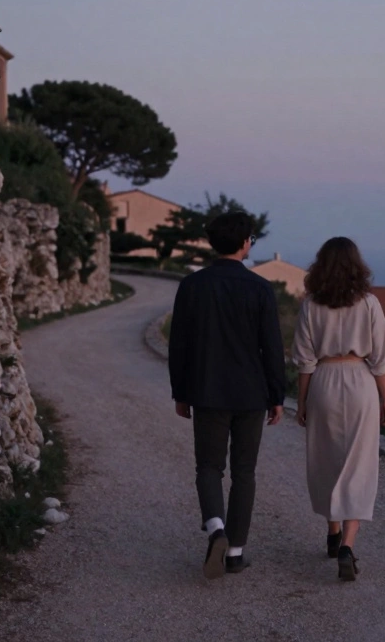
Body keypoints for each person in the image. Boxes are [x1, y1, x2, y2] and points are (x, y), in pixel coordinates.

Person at [168, 212, 286, 579]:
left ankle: (216, 528)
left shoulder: (192, 286)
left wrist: (181, 392)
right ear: (246, 243)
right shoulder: (260, 289)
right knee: (245, 471)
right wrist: (277, 395)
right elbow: (272, 347)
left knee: (208, 466)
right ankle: (234, 552)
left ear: (211, 243)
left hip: (206, 391)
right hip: (251, 394)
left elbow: (179, 346)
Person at [291, 237, 385, 581]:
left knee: (326, 458)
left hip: (323, 380)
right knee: (359, 463)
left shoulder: (310, 305)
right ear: (356, 265)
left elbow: (304, 360)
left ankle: (333, 532)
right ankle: (348, 545)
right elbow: (380, 358)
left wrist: (302, 402)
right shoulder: (369, 304)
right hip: (360, 381)